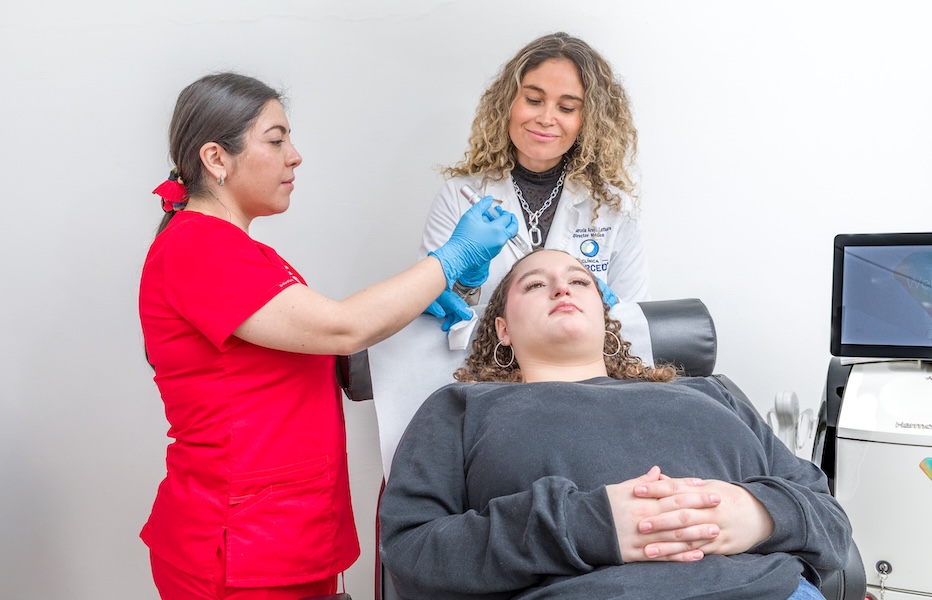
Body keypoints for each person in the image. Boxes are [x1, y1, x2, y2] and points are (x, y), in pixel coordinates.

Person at [138, 72, 518, 599]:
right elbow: (341, 327)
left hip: (285, 532)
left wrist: (410, 309)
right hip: (239, 543)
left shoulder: (243, 252)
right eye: (276, 140)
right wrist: (447, 260)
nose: (295, 156)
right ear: (216, 159)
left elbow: (309, 352)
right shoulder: (199, 248)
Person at [379, 250, 852, 600]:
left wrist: (759, 514)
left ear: (607, 320)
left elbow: (829, 518)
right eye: (534, 284)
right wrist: (588, 525)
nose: (562, 288)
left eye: (579, 282)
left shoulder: (711, 391)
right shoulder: (461, 408)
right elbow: (412, 554)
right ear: (502, 329)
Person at [420, 32, 649, 330]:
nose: (545, 117)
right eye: (533, 100)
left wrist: (608, 308)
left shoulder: (613, 207)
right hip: (484, 366)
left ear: (589, 121)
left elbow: (637, 326)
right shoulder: (459, 196)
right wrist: (465, 285)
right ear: (508, 103)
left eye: (566, 108)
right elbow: (432, 311)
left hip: (581, 371)